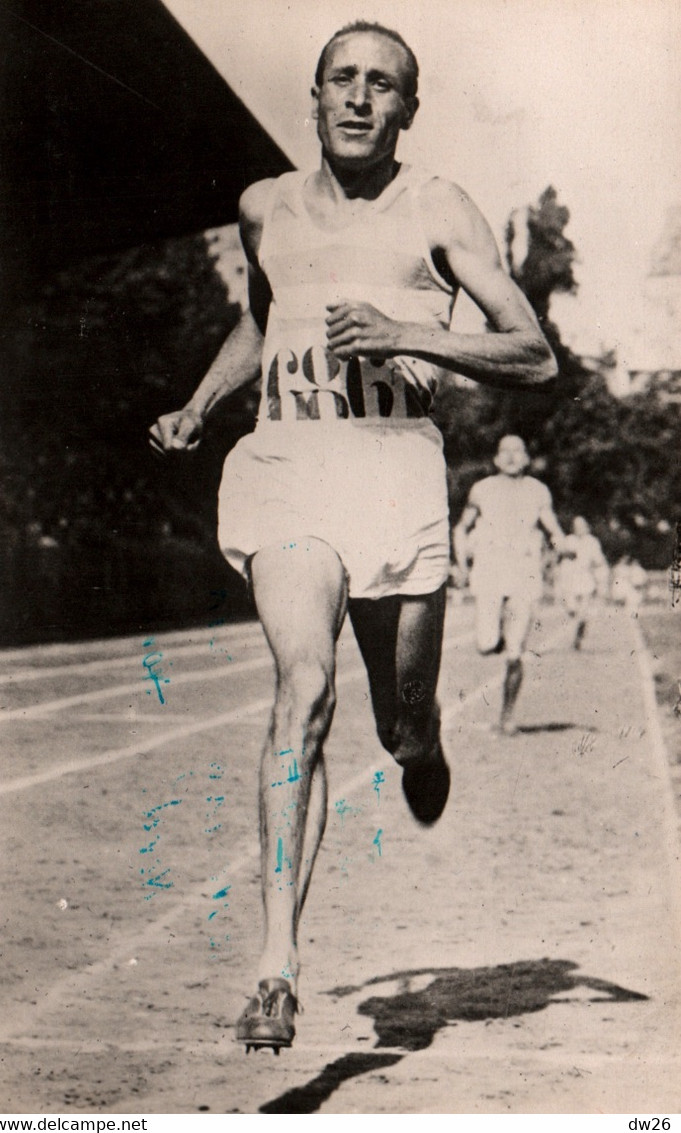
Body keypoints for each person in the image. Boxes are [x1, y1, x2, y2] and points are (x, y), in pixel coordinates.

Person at [149, 22, 557, 1052]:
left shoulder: (439, 209)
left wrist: (404, 329)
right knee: (303, 688)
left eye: (385, 85)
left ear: (408, 110)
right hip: (286, 467)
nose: (361, 98)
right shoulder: (263, 207)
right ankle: (275, 966)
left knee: (398, 717)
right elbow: (264, 314)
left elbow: (532, 354)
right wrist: (201, 402)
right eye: (344, 79)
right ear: (316, 95)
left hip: (392, 471)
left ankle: (420, 741)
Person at [453, 435, 565, 734]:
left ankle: (507, 716)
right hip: (489, 570)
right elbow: (461, 528)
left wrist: (561, 541)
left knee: (516, 652)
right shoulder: (482, 489)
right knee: (485, 644)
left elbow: (551, 524)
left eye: (519, 450)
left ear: (527, 458)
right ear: (496, 459)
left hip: (523, 572)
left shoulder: (538, 491)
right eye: (506, 451)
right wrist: (462, 563)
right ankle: (498, 638)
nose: (513, 456)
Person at [558, 516, 608, 648]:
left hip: (585, 578)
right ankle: (580, 623)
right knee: (571, 608)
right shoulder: (569, 540)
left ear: (587, 527)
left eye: (582, 525)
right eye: (576, 526)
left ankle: (579, 635)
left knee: (583, 610)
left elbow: (599, 560)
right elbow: (561, 554)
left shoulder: (592, 542)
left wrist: (599, 574)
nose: (579, 528)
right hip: (570, 578)